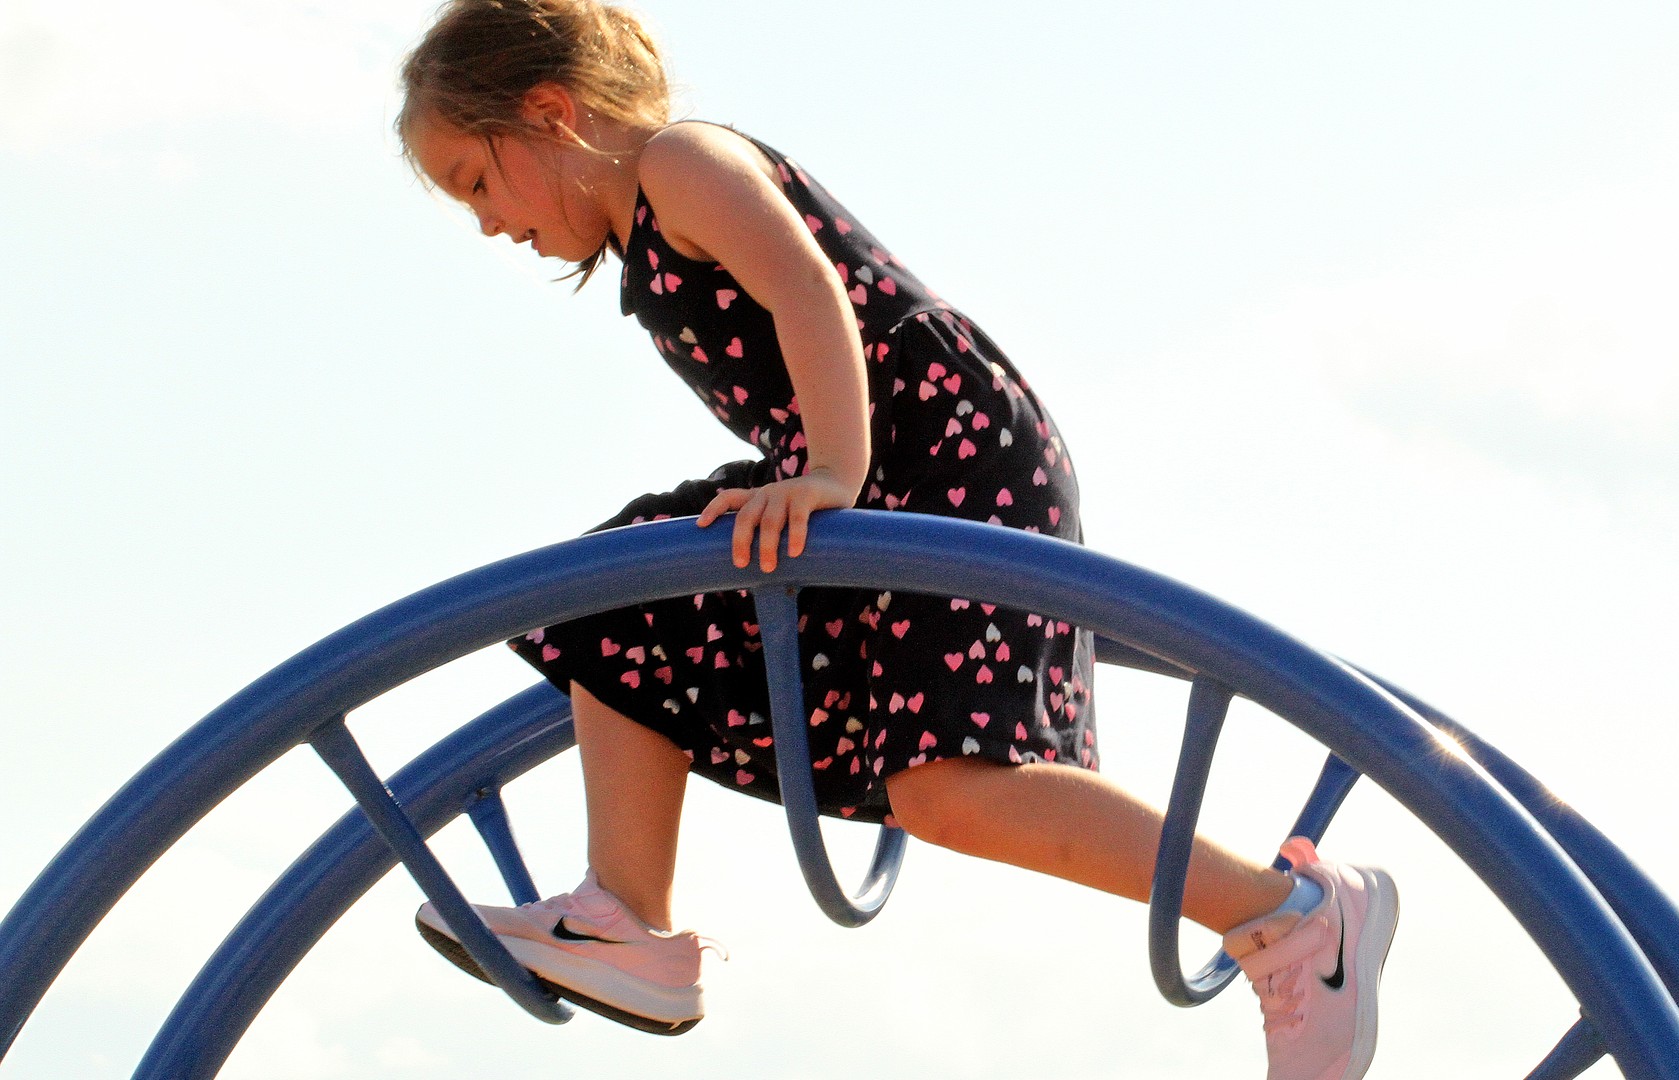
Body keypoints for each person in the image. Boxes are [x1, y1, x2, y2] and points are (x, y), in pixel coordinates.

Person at [395, 2, 1396, 1076]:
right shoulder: (645, 235)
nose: (487, 221)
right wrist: (823, 473)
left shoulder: (681, 165)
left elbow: (807, 286)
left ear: (550, 113)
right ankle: (626, 917)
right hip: (865, 476)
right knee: (623, 592)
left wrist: (830, 468)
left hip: (944, 457)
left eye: (475, 180)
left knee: (956, 790)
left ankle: (1294, 915)